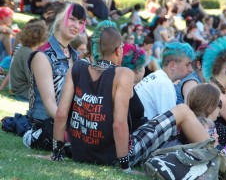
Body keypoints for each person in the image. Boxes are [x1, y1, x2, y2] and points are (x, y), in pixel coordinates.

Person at [51, 20, 210, 173]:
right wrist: (124, 166)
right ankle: (219, 155)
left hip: (82, 150)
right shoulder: (122, 74)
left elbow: (61, 113)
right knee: (182, 110)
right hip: (115, 155)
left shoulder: (78, 67)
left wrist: (57, 152)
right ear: (118, 50)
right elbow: (119, 124)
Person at [23, 2, 87, 150]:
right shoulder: (42, 56)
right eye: (72, 19)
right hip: (45, 129)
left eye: (81, 22)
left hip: (71, 126)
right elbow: (51, 104)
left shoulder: (76, 58)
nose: (76, 26)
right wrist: (70, 131)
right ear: (58, 19)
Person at [135, 42, 194, 119]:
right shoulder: (164, 84)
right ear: (173, 65)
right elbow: (169, 125)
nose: (191, 70)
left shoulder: (159, 77)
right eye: (187, 65)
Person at [10, 20, 47, 101]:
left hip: (20, 89)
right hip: (22, 92)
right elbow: (32, 79)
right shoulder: (28, 53)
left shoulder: (25, 49)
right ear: (40, 38)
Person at [121, 43, 148, 132]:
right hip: (135, 137)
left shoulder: (122, 83)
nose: (144, 68)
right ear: (137, 68)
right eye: (143, 65)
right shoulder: (127, 88)